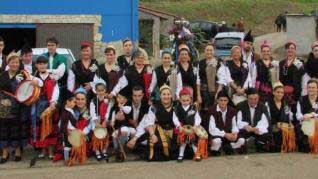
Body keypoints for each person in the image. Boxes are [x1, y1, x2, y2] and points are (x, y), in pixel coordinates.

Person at [0, 53, 43, 164]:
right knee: (4, 131)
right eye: (12, 62)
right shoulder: (2, 75)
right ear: (8, 63)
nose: (15, 64)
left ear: (19, 64)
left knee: (17, 129)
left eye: (17, 62)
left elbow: (39, 82)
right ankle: (5, 153)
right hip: (4, 106)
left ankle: (18, 151)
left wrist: (36, 82)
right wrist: (2, 100)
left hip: (19, 107)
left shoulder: (23, 74)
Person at [127, 85, 176, 161]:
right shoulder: (154, 107)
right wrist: (152, 135)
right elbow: (148, 122)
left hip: (174, 132)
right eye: (164, 94)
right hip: (160, 133)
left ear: (171, 95)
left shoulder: (176, 105)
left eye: (168, 94)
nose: (166, 96)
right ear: (160, 95)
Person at [30, 56, 60, 159]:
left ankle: (51, 151)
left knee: (50, 128)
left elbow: (56, 90)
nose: (42, 65)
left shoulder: (53, 77)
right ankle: (43, 150)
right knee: (41, 129)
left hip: (49, 105)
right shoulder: (32, 77)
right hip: (37, 106)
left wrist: (53, 103)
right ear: (36, 65)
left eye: (44, 63)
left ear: (47, 65)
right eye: (40, 64)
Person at [173, 87, 207, 162]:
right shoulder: (177, 108)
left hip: (192, 128)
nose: (185, 102)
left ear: (190, 100)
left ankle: (197, 154)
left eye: (187, 100)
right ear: (180, 100)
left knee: (192, 141)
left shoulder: (194, 108)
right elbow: (175, 118)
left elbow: (198, 118)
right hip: (182, 128)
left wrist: (196, 125)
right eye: (183, 100)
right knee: (183, 141)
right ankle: (180, 155)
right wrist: (179, 126)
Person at [208, 89, 245, 156]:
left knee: (242, 140)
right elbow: (212, 129)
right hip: (217, 134)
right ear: (217, 100)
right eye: (221, 100)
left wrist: (235, 133)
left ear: (228, 101)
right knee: (217, 141)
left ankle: (230, 147)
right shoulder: (212, 110)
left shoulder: (232, 110)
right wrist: (225, 134)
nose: (223, 102)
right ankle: (215, 150)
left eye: (225, 100)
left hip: (229, 134)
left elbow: (234, 125)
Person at [197, 43, 224, 130]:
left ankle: (215, 130)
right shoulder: (200, 63)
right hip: (203, 92)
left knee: (215, 111)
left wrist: (218, 93)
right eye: (207, 50)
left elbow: (221, 80)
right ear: (204, 52)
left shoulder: (219, 63)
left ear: (214, 51)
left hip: (215, 91)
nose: (209, 52)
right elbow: (198, 80)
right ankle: (205, 132)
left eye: (211, 50)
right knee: (205, 112)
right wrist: (198, 95)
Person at [237, 88, 270, 153]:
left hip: (257, 129)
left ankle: (260, 149)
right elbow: (238, 120)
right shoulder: (240, 105)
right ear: (247, 98)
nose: (253, 101)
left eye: (255, 99)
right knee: (240, 136)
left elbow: (265, 121)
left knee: (264, 134)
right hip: (245, 129)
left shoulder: (263, 107)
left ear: (258, 98)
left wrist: (256, 128)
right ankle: (242, 150)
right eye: (251, 99)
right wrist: (245, 126)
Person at [108, 88, 136, 162]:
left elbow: (127, 111)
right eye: (118, 97)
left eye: (120, 97)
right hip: (118, 126)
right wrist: (112, 121)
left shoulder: (128, 107)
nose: (118, 99)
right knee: (115, 134)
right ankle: (118, 150)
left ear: (125, 100)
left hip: (127, 125)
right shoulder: (115, 108)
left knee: (129, 131)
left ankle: (123, 149)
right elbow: (113, 114)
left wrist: (122, 107)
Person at [266, 82, 294, 152]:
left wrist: (290, 124)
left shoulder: (286, 104)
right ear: (273, 92)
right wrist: (277, 124)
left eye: (282, 92)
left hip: (284, 126)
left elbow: (288, 116)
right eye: (278, 92)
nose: (280, 94)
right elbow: (267, 118)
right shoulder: (268, 103)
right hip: (272, 126)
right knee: (278, 132)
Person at [279, 41, 304, 110]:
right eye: (288, 48)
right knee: (285, 111)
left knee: (295, 112)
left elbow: (302, 74)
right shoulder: (282, 63)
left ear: (295, 50)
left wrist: (300, 67)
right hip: (284, 92)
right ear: (286, 50)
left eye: (292, 48)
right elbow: (281, 77)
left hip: (295, 92)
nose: (290, 50)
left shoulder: (299, 62)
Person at [89, 78, 109, 161]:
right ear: (96, 91)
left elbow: (109, 111)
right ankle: (97, 150)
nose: (100, 92)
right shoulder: (93, 100)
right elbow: (92, 112)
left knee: (105, 134)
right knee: (96, 134)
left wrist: (105, 121)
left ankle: (104, 149)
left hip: (104, 120)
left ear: (105, 90)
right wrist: (96, 122)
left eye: (102, 90)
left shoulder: (107, 100)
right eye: (98, 91)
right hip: (96, 120)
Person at [296, 79, 318, 153]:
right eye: (309, 87)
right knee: (305, 148)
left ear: (317, 88)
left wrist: (313, 115)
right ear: (307, 88)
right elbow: (298, 115)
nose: (311, 89)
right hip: (305, 126)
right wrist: (303, 117)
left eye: (313, 87)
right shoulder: (301, 99)